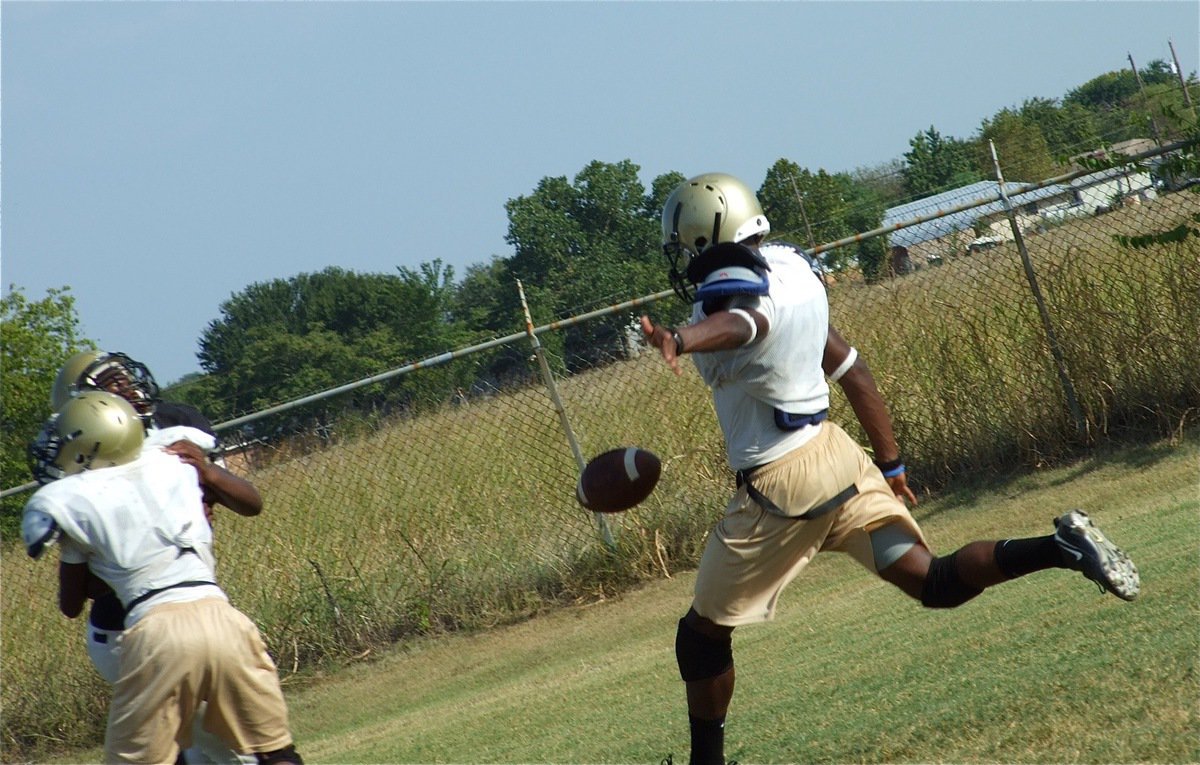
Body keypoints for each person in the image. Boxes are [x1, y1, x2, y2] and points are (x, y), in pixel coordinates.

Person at [640, 172, 1140, 765]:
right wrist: (891, 461)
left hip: (781, 486)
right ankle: (1062, 546)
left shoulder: (738, 304)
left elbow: (748, 322)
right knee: (934, 583)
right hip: (838, 458)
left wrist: (682, 336)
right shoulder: (793, 270)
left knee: (700, 636)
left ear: (706, 235)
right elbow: (852, 369)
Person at [22, 390, 303, 765]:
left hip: (154, 631)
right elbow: (249, 502)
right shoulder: (174, 463)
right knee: (274, 752)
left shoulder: (77, 499)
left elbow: (70, 604)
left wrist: (104, 560)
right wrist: (205, 471)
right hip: (224, 619)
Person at [51, 350, 260, 765]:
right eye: (111, 384)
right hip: (130, 631)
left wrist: (207, 475)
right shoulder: (84, 475)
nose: (126, 387)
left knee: (198, 748)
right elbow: (75, 596)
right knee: (236, 747)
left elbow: (247, 502)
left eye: (125, 378)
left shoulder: (173, 437)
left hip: (192, 610)